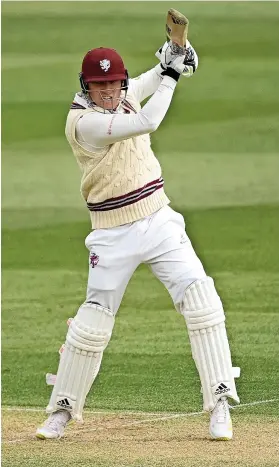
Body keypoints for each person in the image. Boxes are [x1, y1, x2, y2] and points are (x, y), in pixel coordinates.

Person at [36, 39, 239, 441]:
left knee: (202, 300)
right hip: (113, 233)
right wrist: (174, 73)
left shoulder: (121, 96)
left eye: (114, 84)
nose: (109, 92)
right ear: (85, 86)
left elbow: (144, 84)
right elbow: (147, 121)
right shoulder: (85, 122)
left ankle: (219, 403)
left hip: (159, 219)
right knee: (93, 322)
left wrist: (168, 61)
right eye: (99, 85)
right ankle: (62, 409)